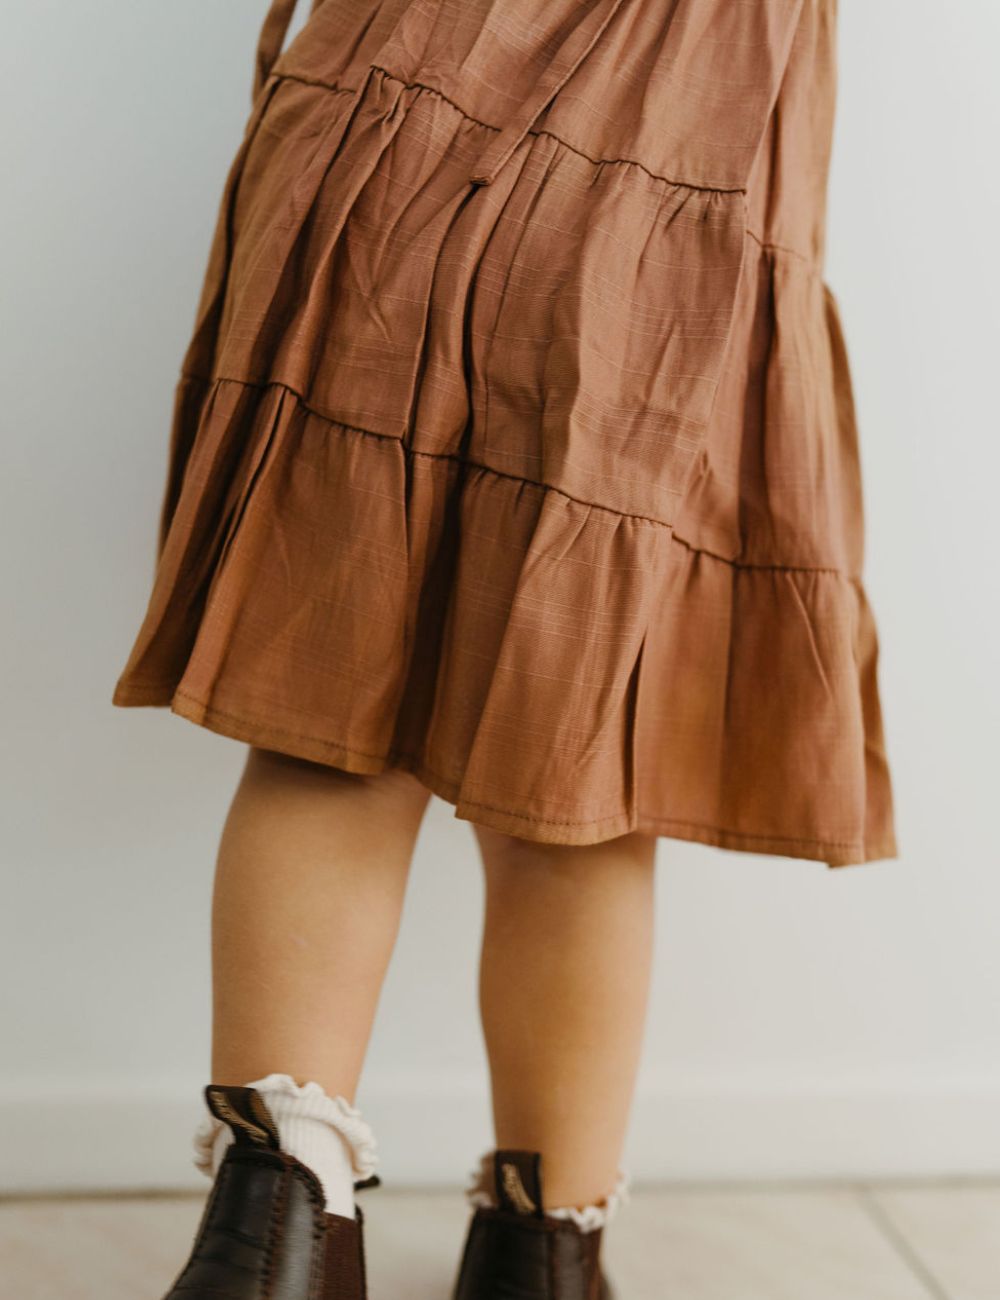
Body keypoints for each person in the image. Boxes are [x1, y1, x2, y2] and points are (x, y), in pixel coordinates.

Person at [110, 1, 897, 1295]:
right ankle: (545, 1259)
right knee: (574, 777)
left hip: (388, 118)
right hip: (668, 178)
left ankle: (274, 1235)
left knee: (331, 723)